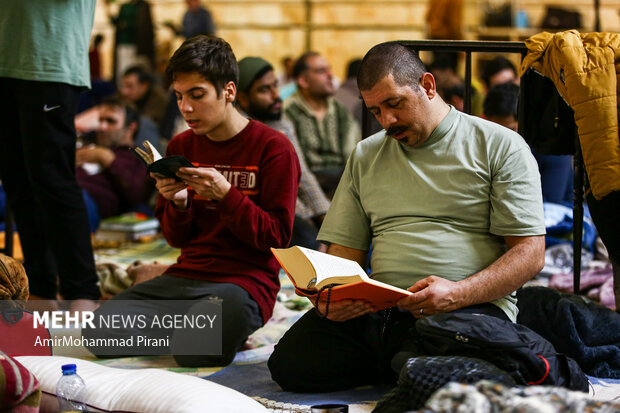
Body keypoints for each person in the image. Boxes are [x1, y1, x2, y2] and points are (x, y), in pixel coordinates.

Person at [268, 42, 546, 392]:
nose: (387, 121)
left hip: (468, 310)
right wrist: (331, 297)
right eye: (375, 111)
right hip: (384, 310)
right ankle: (411, 367)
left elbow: (530, 253)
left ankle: (411, 366)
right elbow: (343, 253)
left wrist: (459, 293)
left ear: (428, 86)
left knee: (435, 356)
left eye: (394, 104)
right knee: (291, 364)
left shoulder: (499, 145)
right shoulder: (367, 155)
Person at [84, 35, 300, 367]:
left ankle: (205, 329)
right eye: (179, 96)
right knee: (99, 331)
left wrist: (226, 195)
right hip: (184, 277)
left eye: (197, 95)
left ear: (228, 91)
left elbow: (276, 238)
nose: (186, 108)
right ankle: (199, 328)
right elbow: (176, 239)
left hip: (242, 283)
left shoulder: (273, 148)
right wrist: (180, 204)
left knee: (194, 350)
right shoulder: (182, 145)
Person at [0, 1, 101, 310]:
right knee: (18, 182)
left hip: (49, 60)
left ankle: (82, 290)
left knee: (52, 180)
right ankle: (40, 288)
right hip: (6, 60)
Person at [236, 56, 330, 251]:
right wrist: (312, 225)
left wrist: (327, 218)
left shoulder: (282, 123)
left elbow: (302, 174)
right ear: (243, 98)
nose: (276, 95)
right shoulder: (239, 129)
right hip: (266, 217)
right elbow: (274, 194)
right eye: (264, 90)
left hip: (296, 213)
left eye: (275, 86)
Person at [284, 51, 360, 197]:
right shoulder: (287, 112)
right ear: (303, 81)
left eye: (329, 69)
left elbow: (353, 157)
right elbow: (294, 168)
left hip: (341, 186)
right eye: (321, 71)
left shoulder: (340, 111)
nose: (331, 75)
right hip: (301, 189)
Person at [484, 82, 573, 204]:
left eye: (509, 130)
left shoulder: (549, 148)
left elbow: (550, 203)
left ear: (523, 122)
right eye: (494, 131)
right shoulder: (484, 144)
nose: (501, 139)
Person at [76, 96, 155, 224]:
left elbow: (137, 195)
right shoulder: (87, 149)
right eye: (100, 120)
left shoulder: (139, 159)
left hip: (85, 204)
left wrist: (108, 159)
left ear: (131, 127)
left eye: (110, 121)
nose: (101, 127)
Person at [106, 0, 156, 82]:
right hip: (123, 44)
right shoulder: (124, 7)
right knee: (122, 69)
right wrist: (108, 9)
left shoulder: (143, 6)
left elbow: (145, 26)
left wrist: (126, 25)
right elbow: (118, 23)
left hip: (139, 46)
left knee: (137, 71)